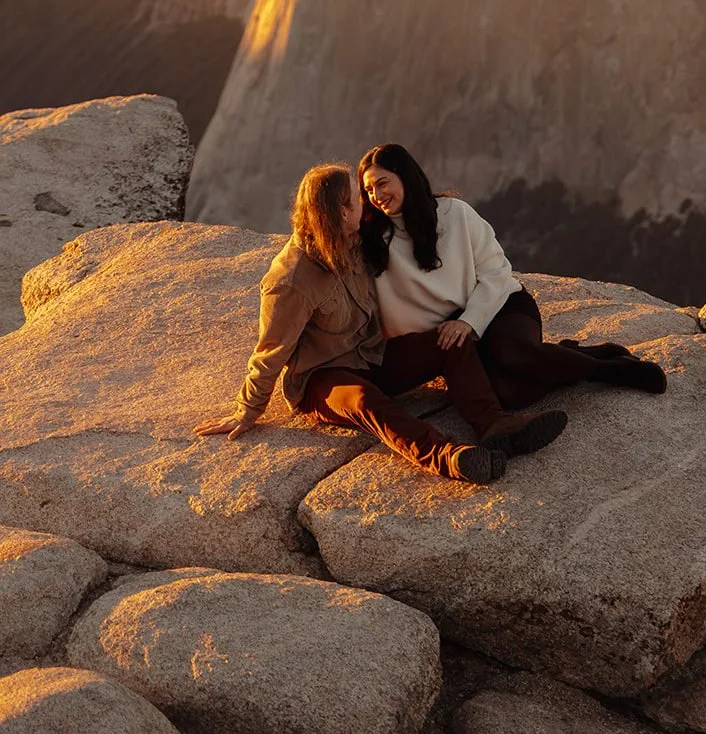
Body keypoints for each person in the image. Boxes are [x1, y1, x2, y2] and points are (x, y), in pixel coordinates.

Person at [194, 162, 564, 484]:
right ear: (342, 213)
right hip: (323, 377)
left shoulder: (355, 242)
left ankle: (495, 425)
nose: (366, 203)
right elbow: (271, 350)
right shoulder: (291, 280)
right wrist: (248, 409)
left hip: (373, 354)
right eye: (358, 199)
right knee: (364, 400)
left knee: (449, 341)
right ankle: (449, 457)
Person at [357, 144, 668, 412]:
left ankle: (610, 369)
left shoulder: (455, 214)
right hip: (452, 336)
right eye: (368, 190)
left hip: (499, 305)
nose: (377, 195)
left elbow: (496, 271)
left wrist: (469, 321)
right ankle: (575, 353)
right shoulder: (373, 241)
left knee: (514, 355)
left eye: (383, 183)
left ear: (405, 176)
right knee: (507, 396)